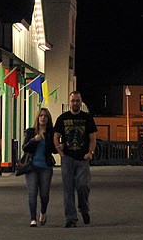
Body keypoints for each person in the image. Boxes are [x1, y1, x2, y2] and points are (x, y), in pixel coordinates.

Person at [54, 91, 98, 228]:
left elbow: (93, 138)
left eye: (77, 101)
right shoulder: (62, 118)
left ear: (81, 102)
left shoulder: (87, 119)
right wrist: (60, 152)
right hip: (68, 158)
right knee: (68, 189)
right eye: (73, 101)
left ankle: (84, 208)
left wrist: (90, 152)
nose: (75, 103)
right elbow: (56, 136)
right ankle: (70, 219)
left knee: (82, 185)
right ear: (70, 102)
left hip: (82, 158)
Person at [23, 107, 56, 227]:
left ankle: (43, 211)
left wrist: (59, 146)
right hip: (32, 167)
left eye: (45, 116)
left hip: (46, 167)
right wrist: (33, 140)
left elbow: (53, 150)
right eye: (41, 115)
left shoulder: (51, 133)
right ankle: (33, 218)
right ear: (38, 118)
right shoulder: (31, 131)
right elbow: (25, 148)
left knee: (44, 194)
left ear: (48, 119)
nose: (43, 118)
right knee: (32, 193)